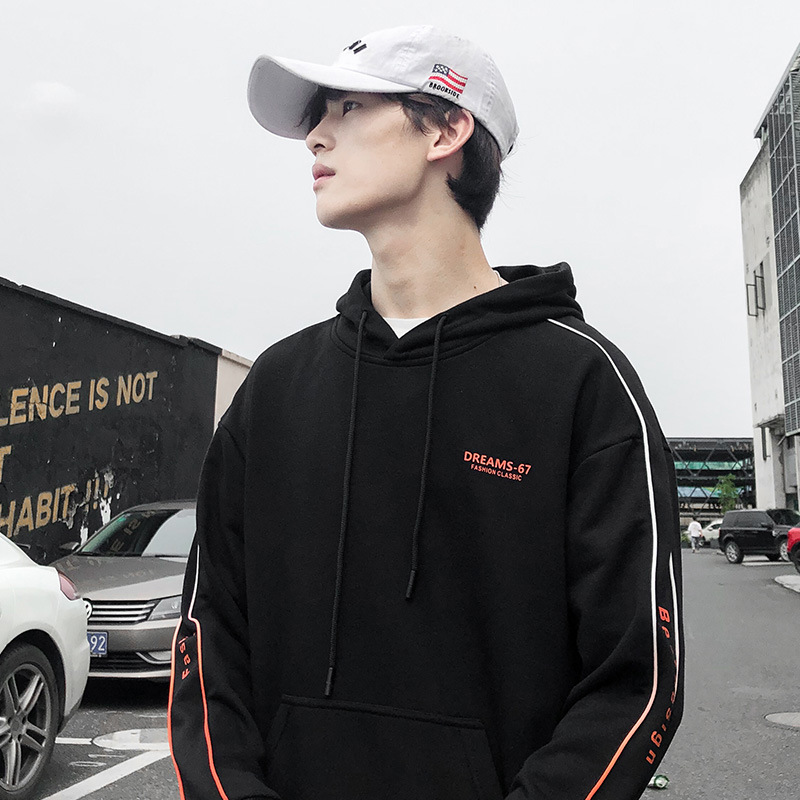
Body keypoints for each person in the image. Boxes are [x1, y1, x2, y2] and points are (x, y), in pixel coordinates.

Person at [168, 25, 684, 800]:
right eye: (318, 115)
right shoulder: (274, 387)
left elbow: (636, 680)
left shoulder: (583, 383)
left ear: (446, 130)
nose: (315, 136)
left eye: (348, 107)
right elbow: (208, 642)